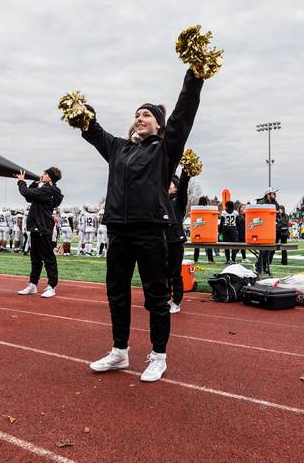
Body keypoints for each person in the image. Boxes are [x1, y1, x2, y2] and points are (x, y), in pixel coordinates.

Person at [82, 67, 204, 382]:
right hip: (118, 230)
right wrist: (83, 115)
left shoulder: (165, 150)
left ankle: (158, 356)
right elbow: (94, 131)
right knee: (116, 292)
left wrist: (195, 77)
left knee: (155, 294)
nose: (140, 117)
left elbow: (183, 116)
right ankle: (119, 352)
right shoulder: (119, 148)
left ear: (159, 125)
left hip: (151, 229)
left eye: (147, 114)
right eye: (137, 114)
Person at [16, 168, 64, 297]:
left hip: (42, 227)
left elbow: (25, 192)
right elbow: (29, 197)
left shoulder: (48, 190)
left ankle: (52, 286)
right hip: (37, 227)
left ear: (50, 177)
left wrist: (21, 181)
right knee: (35, 258)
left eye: (45, 174)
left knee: (48, 258)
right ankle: (33, 284)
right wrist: (35, 183)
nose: (42, 175)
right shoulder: (46, 189)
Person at [166, 171, 190, 314]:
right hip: (162, 240)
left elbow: (184, 188)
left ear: (175, 187)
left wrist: (185, 174)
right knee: (163, 273)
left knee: (175, 273)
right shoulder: (161, 200)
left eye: (170, 183)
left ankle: (176, 301)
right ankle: (166, 298)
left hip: (175, 241)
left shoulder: (179, 201)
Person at [255, 188, 279, 275]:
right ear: (268, 194)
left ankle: (262, 266)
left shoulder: (273, 202)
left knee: (269, 250)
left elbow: (278, 208)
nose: (275, 195)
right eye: (273, 194)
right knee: (264, 250)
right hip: (263, 228)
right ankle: (259, 266)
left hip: (270, 228)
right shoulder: (261, 202)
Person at [192, 195, 215, 263]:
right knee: (209, 245)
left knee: (197, 246)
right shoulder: (208, 209)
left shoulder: (196, 208)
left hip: (198, 228)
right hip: (206, 229)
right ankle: (210, 259)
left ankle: (195, 259)